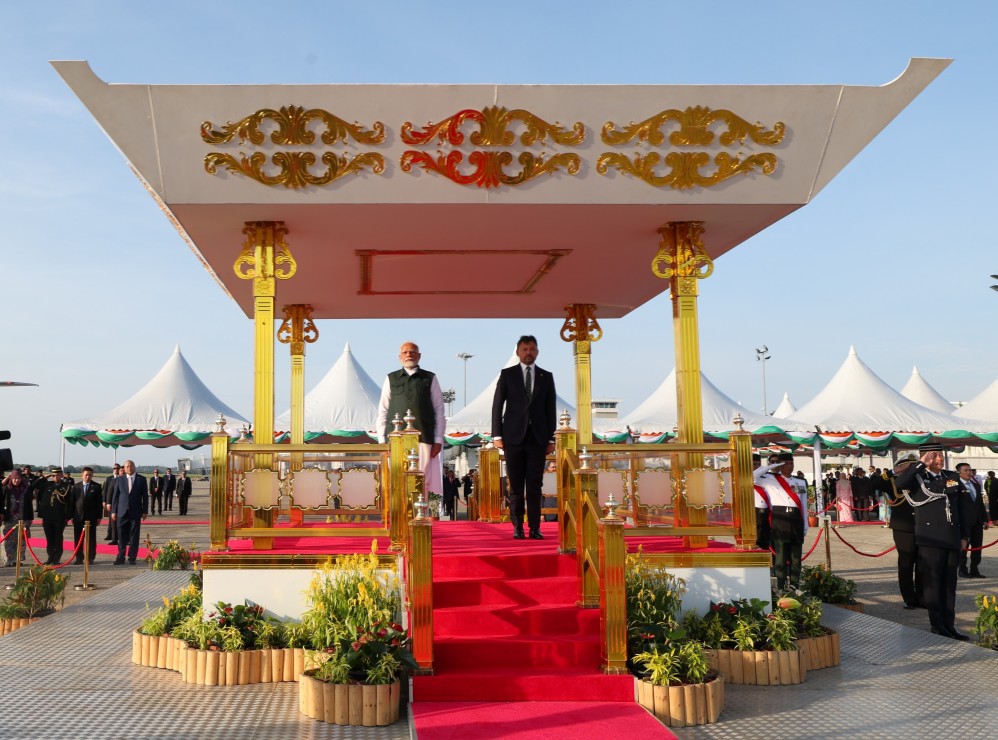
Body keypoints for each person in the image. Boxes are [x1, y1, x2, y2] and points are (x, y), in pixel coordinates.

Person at [894, 445, 968, 640]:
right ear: (925, 457)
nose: (939, 459)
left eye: (941, 455)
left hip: (951, 535)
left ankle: (949, 625)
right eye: (934, 456)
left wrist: (964, 536)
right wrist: (920, 464)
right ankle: (937, 625)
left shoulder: (951, 476)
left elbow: (959, 507)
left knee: (949, 585)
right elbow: (900, 483)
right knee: (933, 584)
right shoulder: (917, 477)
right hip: (930, 538)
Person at [491, 335, 557, 540]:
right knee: (516, 486)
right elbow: (497, 405)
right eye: (525, 349)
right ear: (518, 352)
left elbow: (550, 409)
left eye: (532, 349)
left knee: (535, 485)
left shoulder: (546, 376)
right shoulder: (507, 374)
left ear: (537, 351)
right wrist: (497, 434)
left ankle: (535, 528)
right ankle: (517, 527)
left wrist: (551, 440)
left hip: (538, 439)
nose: (529, 353)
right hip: (513, 437)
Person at [377, 342, 446, 499]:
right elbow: (383, 410)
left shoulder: (429, 378)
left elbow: (439, 411)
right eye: (405, 352)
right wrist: (382, 441)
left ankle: (423, 516)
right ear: (400, 357)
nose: (409, 355)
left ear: (419, 356)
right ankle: (399, 516)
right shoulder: (391, 378)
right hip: (395, 440)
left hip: (424, 437)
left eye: (413, 352)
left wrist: (438, 439)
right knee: (397, 479)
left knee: (424, 477)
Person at [755, 452, 808, 588]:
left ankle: (795, 585)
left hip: (796, 520)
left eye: (791, 463)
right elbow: (750, 478)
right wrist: (771, 466)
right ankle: (780, 585)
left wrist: (805, 525)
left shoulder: (800, 482)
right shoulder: (769, 479)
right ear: (780, 465)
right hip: (780, 520)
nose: (789, 466)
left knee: (796, 558)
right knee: (780, 557)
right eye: (786, 464)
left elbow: (803, 504)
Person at [889, 454, 922, 610]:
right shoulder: (893, 481)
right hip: (903, 528)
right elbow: (874, 483)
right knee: (906, 564)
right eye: (909, 466)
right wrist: (891, 472)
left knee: (923, 564)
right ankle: (909, 598)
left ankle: (921, 597)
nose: (912, 469)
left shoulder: (921, 480)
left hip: (923, 526)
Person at [111, 459, 148, 565]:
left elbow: (144, 496)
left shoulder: (141, 479)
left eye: (131, 466)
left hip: (135, 512)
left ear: (134, 467)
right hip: (122, 512)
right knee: (121, 536)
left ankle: (132, 557)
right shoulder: (120, 479)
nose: (129, 468)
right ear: (124, 468)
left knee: (134, 536)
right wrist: (114, 511)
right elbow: (115, 496)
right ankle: (120, 557)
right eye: (127, 466)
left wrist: (144, 511)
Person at [34, 466, 73, 565]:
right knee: (49, 538)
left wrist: (67, 517)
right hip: (47, 516)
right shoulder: (47, 484)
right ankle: (50, 557)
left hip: (59, 517)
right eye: (54, 475)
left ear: (61, 475)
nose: (56, 477)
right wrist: (44, 477)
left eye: (58, 475)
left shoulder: (66, 486)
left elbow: (70, 502)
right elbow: (33, 486)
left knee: (58, 538)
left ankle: (57, 558)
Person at [956, 462, 988, 578]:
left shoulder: (976, 485)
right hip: (964, 523)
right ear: (959, 472)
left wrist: (985, 519)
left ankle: (974, 569)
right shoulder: (956, 486)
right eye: (966, 470)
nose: (969, 472)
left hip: (977, 522)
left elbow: (980, 504)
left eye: (970, 470)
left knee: (977, 547)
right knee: (964, 547)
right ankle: (962, 570)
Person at [70, 466, 104, 565]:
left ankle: (90, 558)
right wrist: (71, 516)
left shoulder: (97, 487)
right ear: (82, 475)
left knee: (91, 539)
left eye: (90, 475)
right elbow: (72, 502)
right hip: (78, 517)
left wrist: (99, 517)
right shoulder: (76, 487)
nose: (88, 477)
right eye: (86, 475)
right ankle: (79, 558)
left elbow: (99, 504)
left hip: (91, 518)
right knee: (78, 539)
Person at [1, 469, 33, 566]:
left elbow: (29, 505)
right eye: (14, 478)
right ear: (11, 479)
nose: (16, 480)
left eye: (18, 478)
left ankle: (17, 560)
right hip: (9, 519)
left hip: (23, 519)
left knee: (21, 540)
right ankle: (9, 560)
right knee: (8, 541)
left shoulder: (26, 489)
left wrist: (30, 518)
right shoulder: (6, 489)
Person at [751, 453, 771, 552]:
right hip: (751, 510)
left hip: (764, 510)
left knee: (764, 535)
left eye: (758, 464)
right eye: (754, 464)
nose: (757, 466)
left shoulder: (767, 478)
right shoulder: (745, 477)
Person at [104, 464, 121, 543]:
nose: (116, 469)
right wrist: (105, 501)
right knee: (111, 520)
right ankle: (110, 535)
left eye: (117, 468)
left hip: (120, 502)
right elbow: (106, 491)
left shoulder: (122, 478)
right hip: (111, 502)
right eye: (114, 468)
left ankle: (118, 537)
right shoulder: (109, 479)